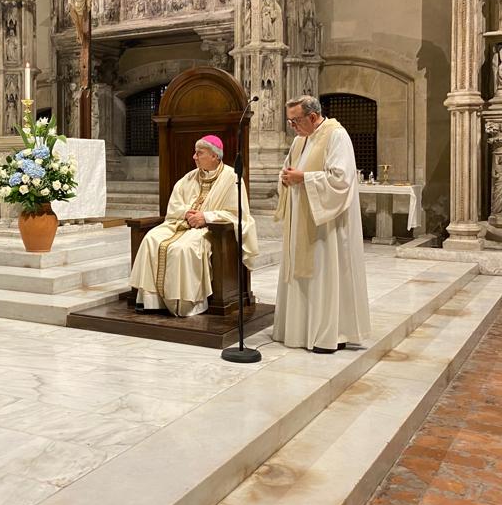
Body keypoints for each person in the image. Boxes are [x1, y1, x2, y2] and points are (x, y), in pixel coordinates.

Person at [273, 95, 370, 353]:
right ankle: (299, 330)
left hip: (326, 226)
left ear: (313, 117)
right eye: (289, 121)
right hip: (300, 221)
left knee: (324, 274)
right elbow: (289, 170)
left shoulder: (336, 135)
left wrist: (304, 178)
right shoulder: (300, 140)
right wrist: (285, 178)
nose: (292, 127)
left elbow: (341, 179)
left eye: (295, 121)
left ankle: (329, 334)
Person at [129, 135, 258, 317]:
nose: (194, 157)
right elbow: (174, 205)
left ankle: (183, 303)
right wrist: (187, 213)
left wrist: (206, 217)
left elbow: (238, 213)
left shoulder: (232, 178)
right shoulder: (190, 177)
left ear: (214, 156)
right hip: (180, 223)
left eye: (199, 153)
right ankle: (152, 301)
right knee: (151, 239)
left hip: (211, 229)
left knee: (183, 248)